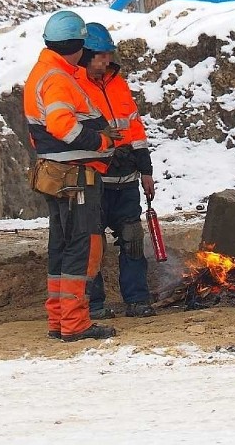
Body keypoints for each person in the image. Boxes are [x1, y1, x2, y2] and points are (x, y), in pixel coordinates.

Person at [23, 10, 122, 341]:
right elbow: (61, 125)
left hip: (57, 174)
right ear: (78, 45)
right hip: (74, 175)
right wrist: (102, 140)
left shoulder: (45, 71)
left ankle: (59, 320)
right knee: (79, 244)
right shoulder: (57, 77)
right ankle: (75, 323)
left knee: (61, 244)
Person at [75, 23, 157, 318]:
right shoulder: (74, 85)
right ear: (86, 55)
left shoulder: (117, 83)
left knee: (133, 241)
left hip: (126, 179)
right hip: (94, 180)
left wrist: (145, 168)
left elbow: (134, 128)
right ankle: (93, 304)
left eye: (109, 54)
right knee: (92, 243)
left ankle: (137, 300)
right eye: (102, 55)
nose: (107, 61)